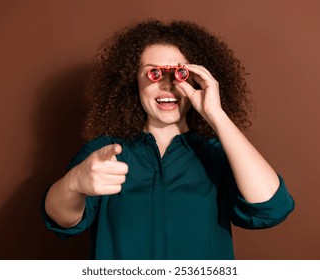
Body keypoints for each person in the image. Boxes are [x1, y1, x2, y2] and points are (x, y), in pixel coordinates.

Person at [42, 19, 295, 260]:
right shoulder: (106, 153)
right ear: (133, 81)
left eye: (179, 74)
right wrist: (74, 183)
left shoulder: (218, 155)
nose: (168, 86)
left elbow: (271, 208)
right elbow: (62, 220)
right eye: (154, 73)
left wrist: (215, 115)